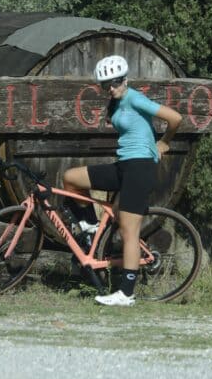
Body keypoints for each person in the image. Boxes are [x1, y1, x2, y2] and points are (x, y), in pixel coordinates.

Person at [63, 55, 183, 307]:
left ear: (125, 79)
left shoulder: (135, 98)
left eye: (116, 82)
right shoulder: (115, 103)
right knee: (71, 179)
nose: (112, 87)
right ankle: (91, 226)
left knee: (129, 231)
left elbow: (175, 118)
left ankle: (126, 293)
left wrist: (164, 142)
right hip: (123, 165)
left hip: (140, 168)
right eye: (106, 84)